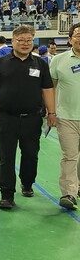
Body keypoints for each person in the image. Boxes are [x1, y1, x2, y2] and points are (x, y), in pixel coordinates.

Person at [0, 25, 56, 209]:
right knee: (6, 157)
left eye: (29, 40)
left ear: (33, 42)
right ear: (13, 41)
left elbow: (47, 89)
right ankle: (6, 194)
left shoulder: (40, 64)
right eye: (20, 40)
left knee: (31, 155)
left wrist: (51, 113)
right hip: (7, 118)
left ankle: (27, 182)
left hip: (32, 118)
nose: (24, 43)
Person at [49, 22, 80, 209]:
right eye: (77, 35)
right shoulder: (58, 60)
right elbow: (50, 88)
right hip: (67, 117)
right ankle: (69, 193)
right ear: (70, 39)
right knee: (70, 156)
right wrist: (50, 111)